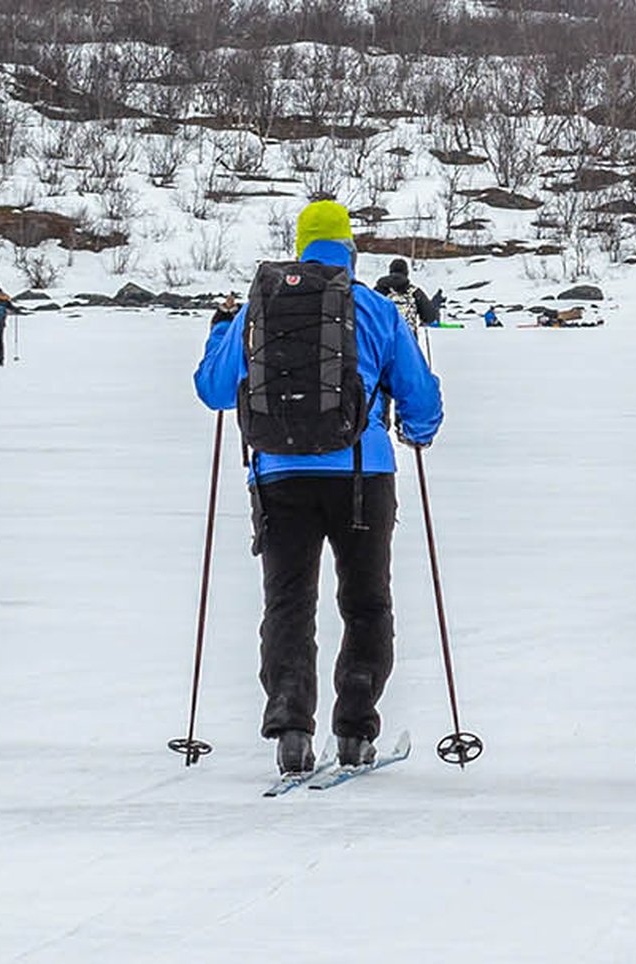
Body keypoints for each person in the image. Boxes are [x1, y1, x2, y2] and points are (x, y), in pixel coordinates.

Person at [194, 200, 443, 774]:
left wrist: (218, 334)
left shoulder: (261, 306)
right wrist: (419, 432)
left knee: (288, 603)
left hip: (279, 474)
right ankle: (355, 728)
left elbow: (212, 388)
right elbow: (419, 396)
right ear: (350, 249)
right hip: (362, 473)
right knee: (365, 601)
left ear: (301, 246)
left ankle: (290, 725)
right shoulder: (377, 308)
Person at [374, 257, 439, 330]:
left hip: (382, 337)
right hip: (407, 338)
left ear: (390, 271)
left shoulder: (378, 291)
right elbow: (430, 317)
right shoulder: (415, 292)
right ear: (407, 273)